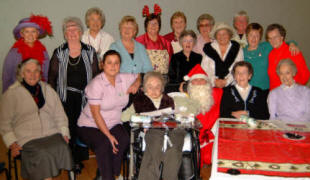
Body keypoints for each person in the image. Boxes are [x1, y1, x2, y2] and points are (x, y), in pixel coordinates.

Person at [0, 59, 72, 180]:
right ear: (22, 74)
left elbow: (60, 115)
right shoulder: (11, 94)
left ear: (40, 73)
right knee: (43, 153)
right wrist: (12, 143)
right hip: (27, 137)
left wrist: (64, 132)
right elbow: (4, 123)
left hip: (51, 132)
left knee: (62, 146)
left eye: (36, 71)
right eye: (28, 71)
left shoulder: (48, 90)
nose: (32, 75)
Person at [48, 17, 100, 172]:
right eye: (68, 30)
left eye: (75, 29)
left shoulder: (90, 51)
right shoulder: (59, 52)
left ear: (80, 32)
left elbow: (96, 76)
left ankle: (78, 159)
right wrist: (53, 100)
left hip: (85, 98)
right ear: (64, 34)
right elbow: (51, 77)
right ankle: (68, 160)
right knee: (67, 128)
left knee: (81, 128)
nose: (72, 32)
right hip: (65, 98)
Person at [77, 50, 139, 180]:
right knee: (105, 143)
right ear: (102, 65)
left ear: (120, 65)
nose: (113, 66)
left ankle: (109, 173)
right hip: (90, 124)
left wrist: (136, 83)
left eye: (116, 63)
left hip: (113, 122)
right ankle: (108, 176)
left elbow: (139, 75)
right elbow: (96, 114)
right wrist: (109, 135)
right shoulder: (96, 84)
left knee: (124, 140)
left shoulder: (123, 78)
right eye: (109, 63)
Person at [122, 71, 185, 180]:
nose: (154, 90)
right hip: (153, 130)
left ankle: (170, 177)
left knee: (175, 148)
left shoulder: (169, 99)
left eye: (157, 87)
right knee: (155, 145)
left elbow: (180, 114)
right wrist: (137, 117)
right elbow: (123, 117)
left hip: (172, 129)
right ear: (144, 88)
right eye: (150, 87)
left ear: (162, 88)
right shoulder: (139, 101)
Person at [182, 64, 223, 165]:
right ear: (190, 83)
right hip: (193, 137)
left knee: (210, 159)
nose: (199, 82)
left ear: (207, 83)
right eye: (196, 80)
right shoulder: (185, 97)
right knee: (194, 162)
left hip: (211, 136)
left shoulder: (217, 93)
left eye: (202, 80)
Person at [2, 14, 52, 93]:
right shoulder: (14, 52)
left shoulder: (43, 51)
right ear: (22, 34)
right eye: (27, 32)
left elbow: (46, 74)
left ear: (37, 34)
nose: (30, 35)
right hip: (18, 93)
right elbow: (6, 77)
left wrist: (45, 92)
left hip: (38, 92)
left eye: (33, 31)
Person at [243, 23, 300, 90]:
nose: (253, 38)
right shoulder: (242, 52)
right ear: (246, 36)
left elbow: (282, 43)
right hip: (249, 89)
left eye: (257, 36)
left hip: (266, 89)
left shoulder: (266, 47)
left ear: (260, 38)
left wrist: (292, 44)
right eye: (251, 35)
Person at [266, 23, 310, 90]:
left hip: (291, 94)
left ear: (282, 37)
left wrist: (294, 89)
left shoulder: (292, 51)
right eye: (270, 38)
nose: (272, 40)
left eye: (275, 37)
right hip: (275, 95)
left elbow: (305, 75)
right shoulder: (271, 54)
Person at [136, 4, 173, 79]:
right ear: (146, 25)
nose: (153, 26)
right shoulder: (138, 41)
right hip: (144, 79)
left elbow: (171, 63)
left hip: (163, 79)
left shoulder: (166, 43)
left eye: (156, 23)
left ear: (159, 26)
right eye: (150, 23)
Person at [201, 22, 243, 88]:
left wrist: (226, 81)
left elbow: (239, 68)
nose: (222, 36)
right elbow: (204, 68)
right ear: (215, 36)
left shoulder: (236, 48)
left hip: (232, 86)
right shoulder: (208, 48)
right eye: (219, 34)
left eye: (224, 34)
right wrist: (214, 81)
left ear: (230, 35)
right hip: (211, 86)